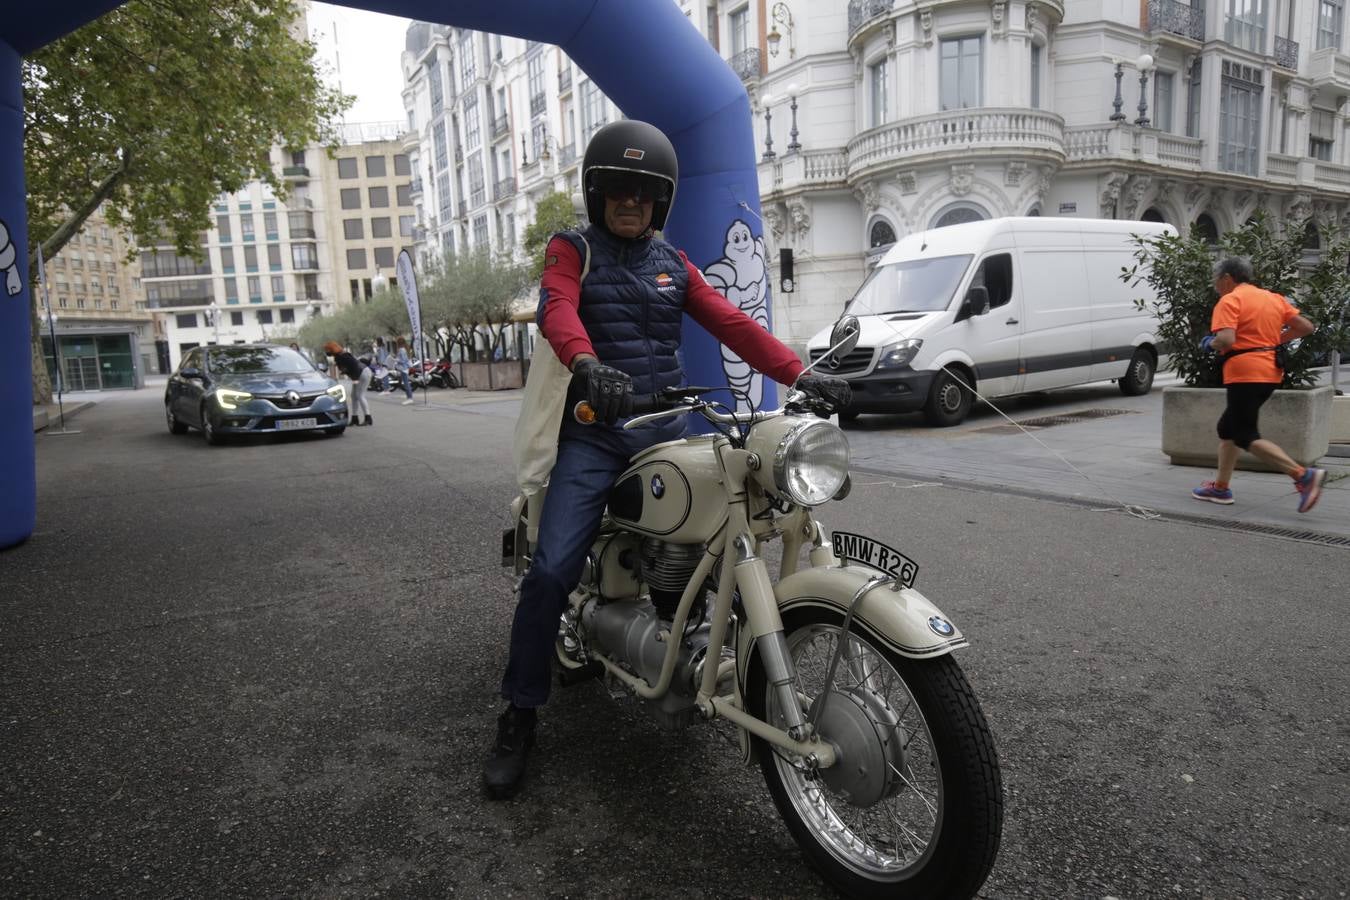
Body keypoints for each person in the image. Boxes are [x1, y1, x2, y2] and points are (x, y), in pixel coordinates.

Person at [482, 119, 851, 799]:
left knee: (711, 538)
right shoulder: (572, 250)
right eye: (619, 192)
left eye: (644, 195)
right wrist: (586, 362)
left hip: (668, 427)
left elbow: (731, 322)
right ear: (599, 197)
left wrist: (798, 374)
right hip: (595, 432)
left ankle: (685, 649)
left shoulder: (671, 263)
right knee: (552, 571)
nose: (631, 203)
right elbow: (556, 310)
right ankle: (520, 712)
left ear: (661, 203)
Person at [1192, 257, 1324, 512]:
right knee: (1228, 428)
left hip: (1244, 372)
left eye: (1216, 281)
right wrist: (1275, 340)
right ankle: (1220, 488)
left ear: (1227, 278)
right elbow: (1306, 327)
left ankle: (1303, 476)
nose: (1216, 286)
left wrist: (1209, 343)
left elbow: (1227, 339)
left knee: (1244, 434)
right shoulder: (1272, 297)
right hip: (1270, 372)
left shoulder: (1230, 300)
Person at [324, 340, 373, 426]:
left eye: (327, 350)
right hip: (360, 374)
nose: (326, 352)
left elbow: (355, 366)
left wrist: (355, 379)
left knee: (359, 395)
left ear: (332, 349)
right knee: (354, 396)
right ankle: (355, 418)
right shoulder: (339, 356)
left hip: (363, 374)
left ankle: (368, 417)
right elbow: (348, 367)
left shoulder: (344, 356)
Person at [394, 337, 415, 405]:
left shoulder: (401, 350)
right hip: (404, 368)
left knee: (406, 384)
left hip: (403, 368)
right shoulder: (404, 349)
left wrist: (396, 360)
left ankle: (410, 398)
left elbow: (403, 360)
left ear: (399, 343)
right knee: (406, 383)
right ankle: (409, 397)